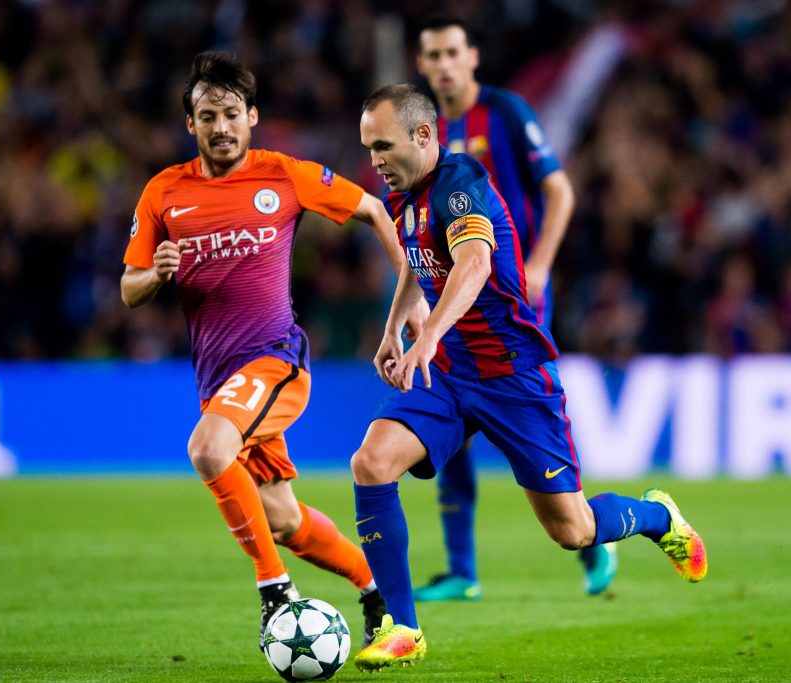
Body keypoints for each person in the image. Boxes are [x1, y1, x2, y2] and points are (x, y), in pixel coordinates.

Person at [352, 84, 707, 671]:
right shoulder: (401, 196)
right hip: (448, 372)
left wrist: (429, 334)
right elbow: (418, 265)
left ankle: (658, 516)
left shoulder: (461, 184)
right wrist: (396, 329)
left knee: (572, 529)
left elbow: (474, 264)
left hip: (515, 376)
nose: (375, 160)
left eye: (383, 145)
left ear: (423, 135)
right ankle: (403, 627)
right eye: (368, 148)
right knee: (370, 462)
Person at [121, 52, 409, 648]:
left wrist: (409, 299)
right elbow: (129, 288)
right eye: (207, 115)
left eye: (231, 113)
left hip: (274, 361)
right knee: (283, 519)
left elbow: (374, 209)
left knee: (207, 448)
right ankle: (376, 590)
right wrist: (157, 275)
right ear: (190, 125)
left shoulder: (284, 174)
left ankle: (274, 592)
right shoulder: (163, 192)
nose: (220, 126)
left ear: (252, 116)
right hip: (218, 381)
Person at [411, 16, 616, 602]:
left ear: (472, 56)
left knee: (530, 418)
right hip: (446, 298)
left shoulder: (505, 113)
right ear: (422, 65)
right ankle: (461, 570)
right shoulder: (421, 129)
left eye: (453, 51)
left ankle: (588, 536)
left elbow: (560, 190)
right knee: (444, 426)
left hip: (510, 298)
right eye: (433, 55)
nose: (445, 63)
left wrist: (541, 264)